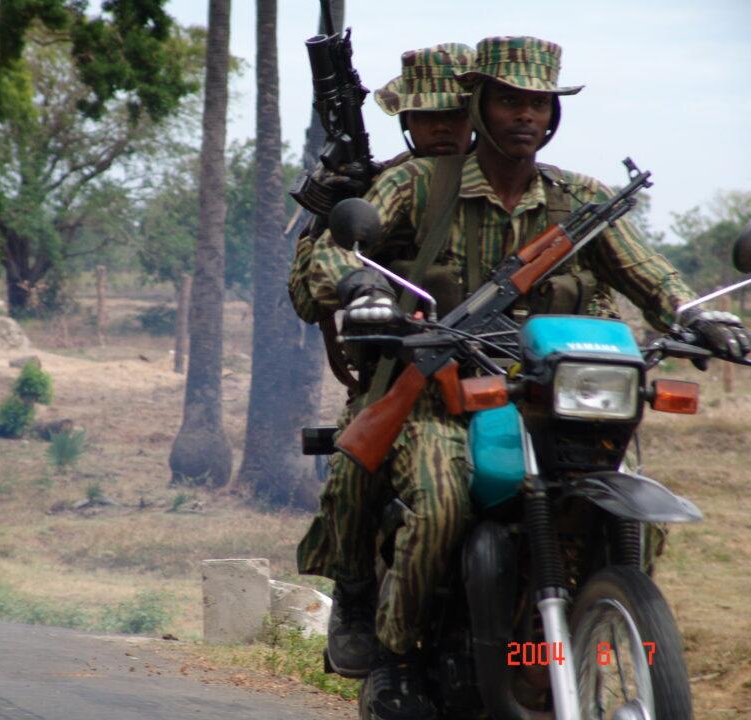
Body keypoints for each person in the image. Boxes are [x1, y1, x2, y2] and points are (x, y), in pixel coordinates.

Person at [303, 35, 751, 720]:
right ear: (479, 106)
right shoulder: (419, 183)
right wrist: (363, 286)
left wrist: (699, 317)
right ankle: (399, 662)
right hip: (438, 392)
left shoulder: (582, 200)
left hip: (554, 397)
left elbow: (649, 274)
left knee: (642, 519)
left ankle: (601, 637)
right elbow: (333, 256)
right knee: (440, 500)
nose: (526, 116)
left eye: (539, 103)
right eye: (510, 100)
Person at [289, 43, 476, 681]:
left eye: (456, 113)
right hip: (398, 377)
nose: (444, 128)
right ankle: (356, 596)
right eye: (428, 118)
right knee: (351, 476)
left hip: (500, 377)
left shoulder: (517, 182)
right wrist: (324, 214)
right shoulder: (382, 185)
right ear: (407, 123)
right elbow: (303, 293)